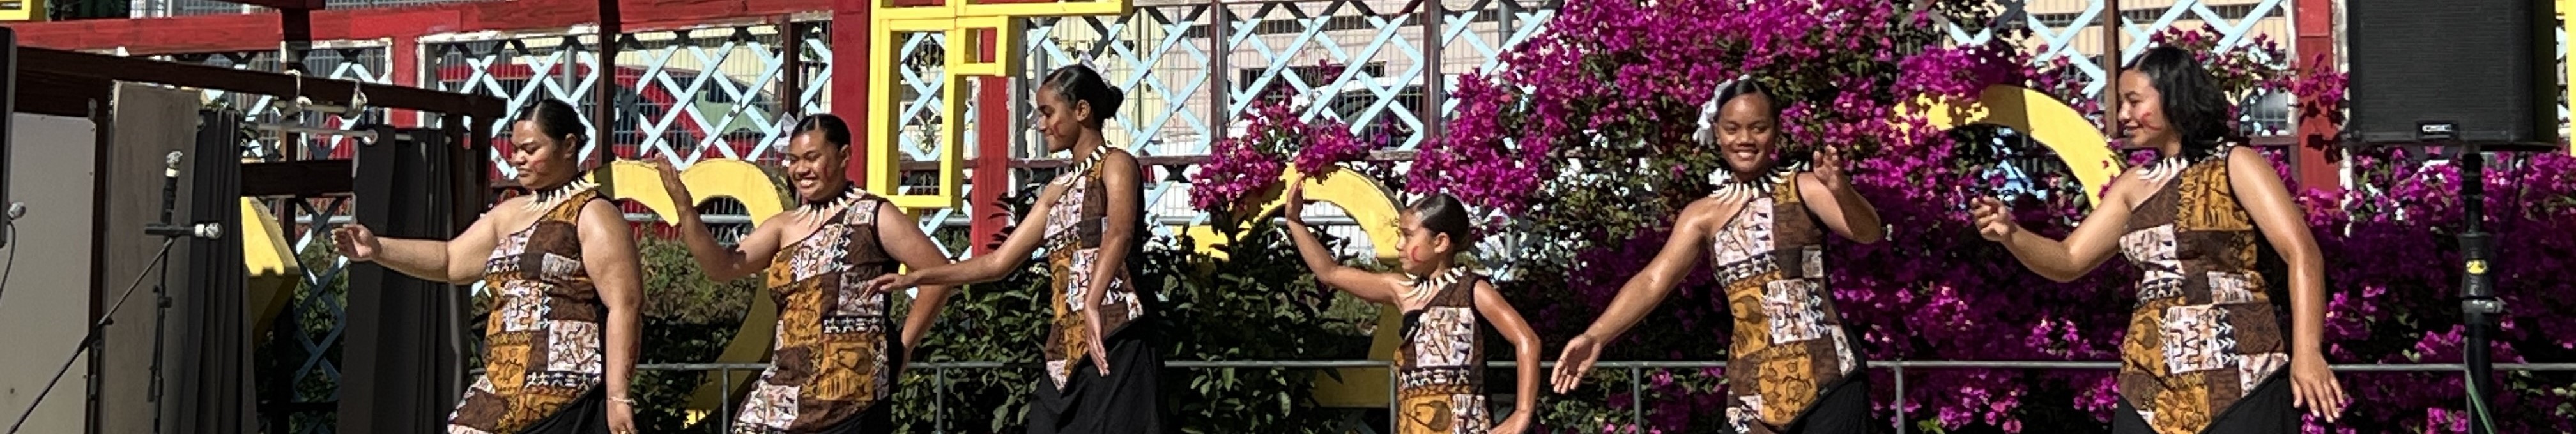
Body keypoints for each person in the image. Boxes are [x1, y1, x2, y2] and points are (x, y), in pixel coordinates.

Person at [1968, 45, 2346, 433]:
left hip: (2242, 379)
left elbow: (2303, 253)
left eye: (2134, 101)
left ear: (2175, 99)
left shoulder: (2237, 164)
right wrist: (2011, 234)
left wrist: (2307, 353)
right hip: (2150, 388)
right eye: (2121, 104)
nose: (2123, 116)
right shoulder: (2132, 185)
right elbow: (2069, 259)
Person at [1549, 77, 1883, 434]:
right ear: (1717, 132)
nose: (1744, 140)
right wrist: (1596, 336)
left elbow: (1868, 232)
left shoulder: (1805, 187)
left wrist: (1840, 189)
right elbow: (1653, 280)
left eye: (1758, 128)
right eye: (1733, 129)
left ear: (1776, 132)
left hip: (1829, 378)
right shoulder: (1703, 214)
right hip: (1754, 390)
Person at [859, 64, 1168, 433]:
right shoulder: (1058, 190)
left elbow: (1119, 234)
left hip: (1117, 336)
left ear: (1082, 111)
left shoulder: (1117, 164)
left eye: (1048, 112)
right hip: (1067, 348)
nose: (1040, 124)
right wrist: (920, 277)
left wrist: (1091, 302)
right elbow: (997, 263)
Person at [332, 98, 642, 434]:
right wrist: (378, 249)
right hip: (504, 379)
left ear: (568, 146)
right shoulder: (510, 214)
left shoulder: (593, 213)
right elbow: (452, 261)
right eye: (515, 150)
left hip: (566, 387)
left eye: (530, 149)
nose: (517, 159)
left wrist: (618, 397)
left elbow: (625, 306)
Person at [650, 113, 958, 433]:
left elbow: (937, 275)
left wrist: (903, 348)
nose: (801, 170)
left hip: (851, 393)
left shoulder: (873, 215)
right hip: (784, 388)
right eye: (793, 160)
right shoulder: (784, 226)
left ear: (844, 157)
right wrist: (686, 209)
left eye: (812, 158)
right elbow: (722, 267)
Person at [1280, 184, 1541, 434]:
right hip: (1412, 424)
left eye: (1407, 235)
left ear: (1440, 243)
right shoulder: (1402, 289)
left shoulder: (1473, 289)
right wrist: (1294, 221)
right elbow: (1330, 272)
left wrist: (1522, 412)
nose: (1399, 245)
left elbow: (1526, 340)